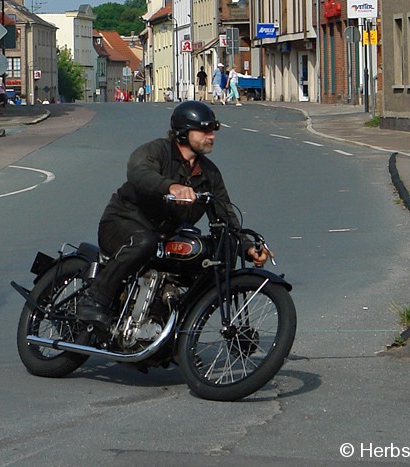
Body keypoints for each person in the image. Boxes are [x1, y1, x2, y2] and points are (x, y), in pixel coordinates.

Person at [76, 101, 271, 330]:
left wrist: (247, 248)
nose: (212, 136)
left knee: (208, 254)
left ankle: (179, 335)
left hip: (165, 235)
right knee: (143, 242)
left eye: (213, 131)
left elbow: (224, 212)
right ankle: (94, 300)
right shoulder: (157, 151)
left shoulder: (209, 173)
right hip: (123, 222)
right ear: (183, 133)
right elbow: (138, 171)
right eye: (205, 130)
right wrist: (170, 187)